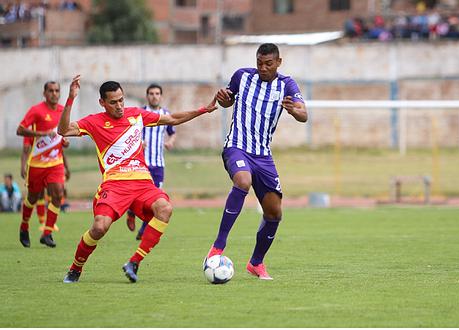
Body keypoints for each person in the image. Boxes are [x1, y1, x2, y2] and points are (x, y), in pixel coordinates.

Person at [58, 75, 217, 283]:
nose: (119, 106)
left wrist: (203, 109)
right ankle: (75, 268)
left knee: (165, 209)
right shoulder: (94, 122)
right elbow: (63, 130)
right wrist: (70, 98)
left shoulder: (136, 115)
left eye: (121, 100)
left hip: (143, 183)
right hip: (114, 185)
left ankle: (134, 262)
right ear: (102, 103)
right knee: (99, 227)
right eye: (113, 102)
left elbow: (173, 119)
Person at [206, 43, 308, 280]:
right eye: (259, 63)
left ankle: (256, 263)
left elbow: (304, 114)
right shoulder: (242, 76)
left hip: (263, 155)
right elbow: (227, 101)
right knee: (243, 180)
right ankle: (218, 246)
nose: (263, 68)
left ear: (278, 62)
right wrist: (223, 99)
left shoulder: (286, 85)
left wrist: (294, 111)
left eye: (268, 64)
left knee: (274, 213)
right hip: (237, 147)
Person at [16, 81, 67, 248]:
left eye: (57, 91)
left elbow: (62, 134)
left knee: (58, 194)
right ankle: (24, 227)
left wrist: (64, 142)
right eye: (50, 91)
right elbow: (20, 130)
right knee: (32, 197)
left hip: (55, 162)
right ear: (44, 93)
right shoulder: (36, 110)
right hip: (37, 163)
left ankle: (47, 232)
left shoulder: (62, 110)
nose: (54, 93)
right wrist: (41, 134)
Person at [125, 83, 176, 240]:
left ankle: (143, 231)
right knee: (138, 195)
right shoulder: (139, 114)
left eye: (157, 93)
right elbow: (129, 134)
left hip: (158, 164)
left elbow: (172, 132)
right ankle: (131, 212)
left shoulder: (165, 114)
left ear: (161, 96)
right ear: (147, 96)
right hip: (142, 164)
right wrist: (138, 142)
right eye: (151, 93)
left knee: (157, 199)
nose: (154, 96)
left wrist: (171, 141)